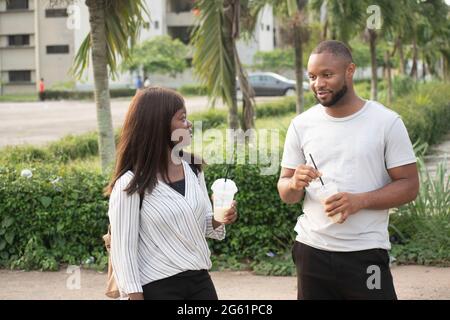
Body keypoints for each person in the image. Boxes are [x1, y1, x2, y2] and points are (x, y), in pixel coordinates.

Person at [277, 40, 419, 300]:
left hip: (366, 254)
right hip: (312, 251)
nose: (318, 83)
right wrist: (294, 183)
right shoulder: (301, 125)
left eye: (327, 75)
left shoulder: (386, 122)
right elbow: (286, 192)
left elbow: (410, 185)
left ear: (350, 71)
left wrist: (360, 201)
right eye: (312, 76)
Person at [105, 86, 238, 300]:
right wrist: (135, 297)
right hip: (157, 287)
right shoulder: (130, 185)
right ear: (159, 125)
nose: (189, 124)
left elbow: (204, 226)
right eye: (182, 118)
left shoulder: (193, 168)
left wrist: (219, 217)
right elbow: (124, 252)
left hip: (200, 282)